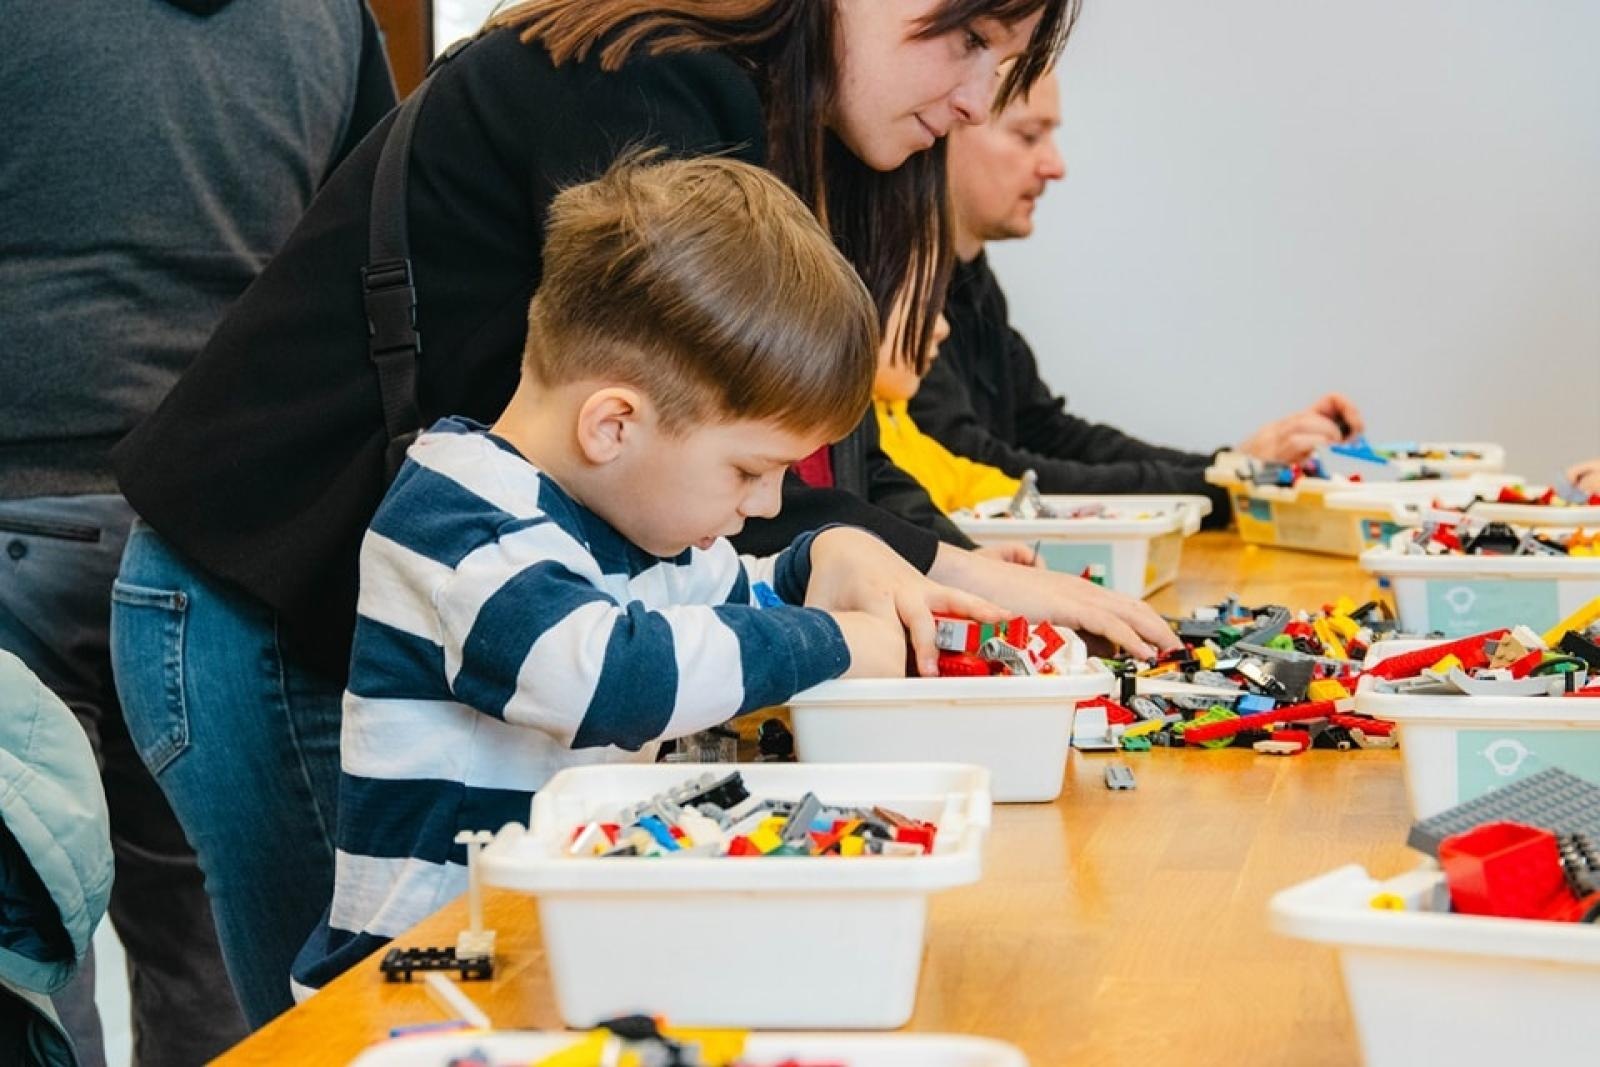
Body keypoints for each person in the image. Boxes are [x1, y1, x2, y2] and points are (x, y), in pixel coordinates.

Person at [109, 0, 1174, 1025]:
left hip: (410, 631)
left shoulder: (763, 132)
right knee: (308, 1030)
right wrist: (851, 616)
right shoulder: (646, 99)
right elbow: (610, 659)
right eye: (971, 39)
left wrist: (865, 558)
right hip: (266, 600)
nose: (979, 97)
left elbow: (775, 489)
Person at [292, 153, 1011, 992]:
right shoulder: (457, 523)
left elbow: (743, 594)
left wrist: (826, 560)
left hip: (558, 964)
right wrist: (836, 641)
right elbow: (609, 677)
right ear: (614, 426)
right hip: (422, 981)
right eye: (748, 471)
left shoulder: (624, 519)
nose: (764, 503)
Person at [0, 0, 395, 1054]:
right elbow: (370, 250)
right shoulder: (328, 17)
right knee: (215, 962)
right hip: (217, 537)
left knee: (16, 959)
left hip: (16, 508)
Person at [911, 70, 1366, 520]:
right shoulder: (892, 294)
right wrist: (1219, 483)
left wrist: (1228, 470)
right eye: (1029, 137)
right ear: (949, 126)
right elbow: (972, 462)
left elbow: (1046, 433)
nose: (1055, 165)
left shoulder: (974, 282)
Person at [875, 280, 1022, 515]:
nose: (943, 328)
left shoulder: (895, 415)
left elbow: (959, 480)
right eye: (924, 307)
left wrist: (1020, 496)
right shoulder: (863, 429)